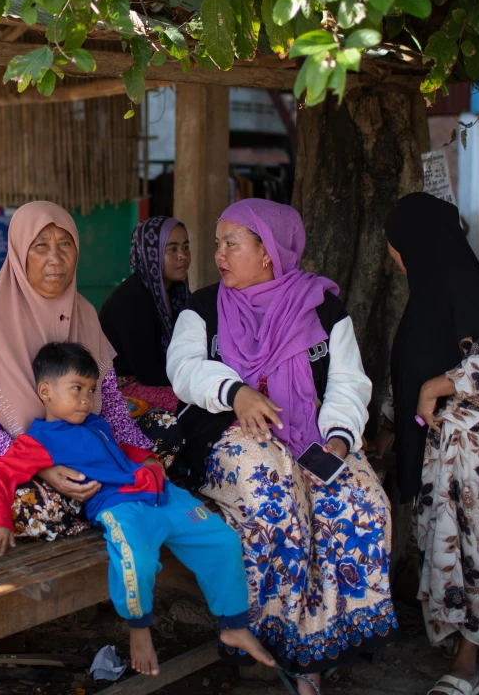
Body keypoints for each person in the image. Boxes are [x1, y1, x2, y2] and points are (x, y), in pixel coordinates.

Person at [167, 199, 397, 695]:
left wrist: (338, 440)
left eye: (232, 243)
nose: (219, 254)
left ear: (268, 251)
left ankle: (323, 644)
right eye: (218, 243)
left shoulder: (323, 306)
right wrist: (235, 391)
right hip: (232, 435)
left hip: (313, 436)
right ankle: (278, 642)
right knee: (276, 502)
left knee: (360, 504)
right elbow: (183, 369)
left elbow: (348, 384)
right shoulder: (202, 307)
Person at [0, 342, 275, 676]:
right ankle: (138, 629)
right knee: (135, 559)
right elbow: (0, 473)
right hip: (120, 508)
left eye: (91, 390)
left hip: (164, 496)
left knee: (222, 540)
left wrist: (148, 460)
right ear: (45, 391)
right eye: (76, 389)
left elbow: (118, 452)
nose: (85, 399)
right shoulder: (38, 440)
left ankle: (234, 624)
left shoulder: (96, 424)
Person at [383, 192, 479, 695]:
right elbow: (411, 370)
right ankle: (465, 635)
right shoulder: (430, 293)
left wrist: (433, 389)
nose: (391, 252)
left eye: (395, 241)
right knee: (445, 544)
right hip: (444, 448)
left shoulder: (457, 282)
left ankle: (469, 660)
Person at [0, 201, 155, 541]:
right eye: (40, 246)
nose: (55, 259)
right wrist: (43, 467)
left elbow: (112, 406)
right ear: (19, 254)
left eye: (65, 245)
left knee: (163, 432)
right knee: (39, 503)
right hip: (7, 463)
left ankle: (106, 494)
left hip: (83, 447)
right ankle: (110, 499)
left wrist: (143, 456)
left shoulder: (86, 316)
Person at [99, 216, 191, 411]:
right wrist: (195, 377)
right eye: (172, 249)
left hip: (157, 379)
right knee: (195, 407)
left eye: (185, 247)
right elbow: (149, 374)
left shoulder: (176, 292)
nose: (182, 255)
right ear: (150, 254)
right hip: (122, 387)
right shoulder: (131, 298)